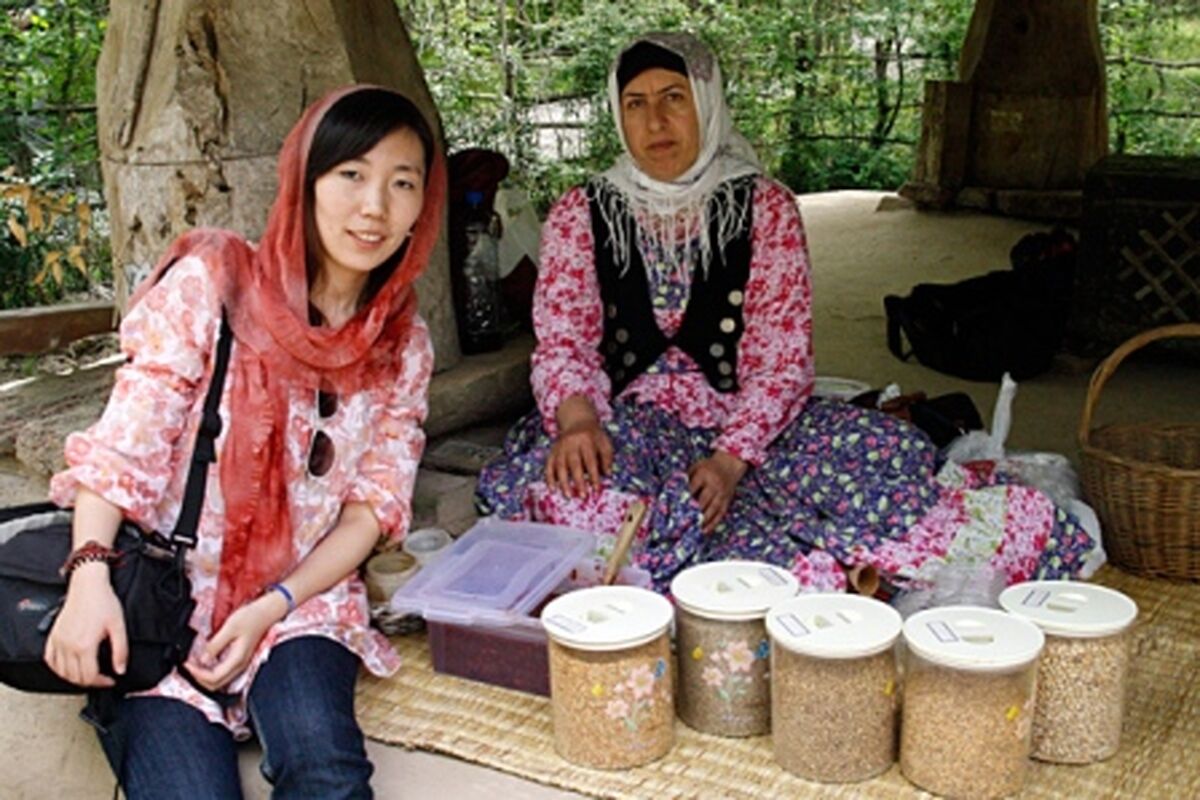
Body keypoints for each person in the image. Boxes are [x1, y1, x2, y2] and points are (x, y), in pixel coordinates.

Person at [476, 32, 1098, 594]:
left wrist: (728, 460)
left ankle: (772, 568)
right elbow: (562, 342)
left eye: (674, 97)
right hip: (628, 424)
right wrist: (579, 421)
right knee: (574, 500)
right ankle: (763, 574)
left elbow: (783, 361)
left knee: (886, 466)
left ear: (708, 103)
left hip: (752, 430)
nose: (655, 121)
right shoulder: (581, 212)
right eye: (635, 103)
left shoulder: (764, 209)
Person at [43, 85, 445, 799]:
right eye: (351, 173)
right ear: (306, 179)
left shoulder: (401, 343)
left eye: (402, 182)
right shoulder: (213, 286)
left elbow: (370, 508)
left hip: (297, 607)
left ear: (424, 204)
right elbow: (122, 449)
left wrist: (275, 603)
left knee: (326, 772)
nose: (375, 206)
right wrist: (89, 580)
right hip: (167, 600)